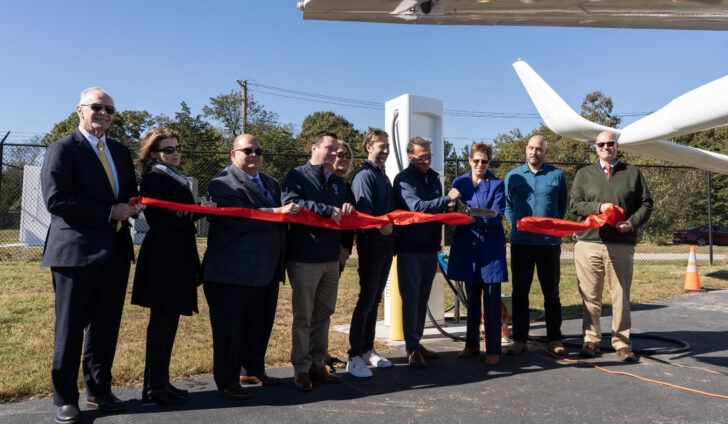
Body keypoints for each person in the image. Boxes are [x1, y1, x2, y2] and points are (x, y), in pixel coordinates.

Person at [40, 87, 145, 424]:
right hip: (74, 253)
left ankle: (99, 390)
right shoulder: (62, 148)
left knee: (105, 326)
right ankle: (65, 398)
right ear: (80, 110)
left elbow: (127, 192)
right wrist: (108, 212)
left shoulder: (118, 150)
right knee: (70, 329)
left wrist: (133, 203)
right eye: (97, 107)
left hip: (115, 251)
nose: (104, 114)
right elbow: (56, 201)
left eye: (110, 110)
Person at [203, 134, 299, 400]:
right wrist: (276, 212)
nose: (254, 154)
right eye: (247, 151)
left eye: (258, 150)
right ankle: (227, 381)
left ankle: (252, 369)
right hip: (232, 272)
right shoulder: (222, 182)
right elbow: (235, 221)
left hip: (266, 269)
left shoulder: (269, 181)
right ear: (233, 155)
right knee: (230, 330)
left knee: (259, 325)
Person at [131, 128, 214, 405]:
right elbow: (162, 220)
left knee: (168, 324)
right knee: (161, 323)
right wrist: (197, 211)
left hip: (178, 254)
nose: (176, 153)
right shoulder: (154, 178)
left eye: (178, 148)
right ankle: (154, 387)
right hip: (163, 258)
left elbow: (179, 213)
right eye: (169, 150)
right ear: (153, 154)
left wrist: (196, 210)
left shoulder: (175, 177)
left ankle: (160, 382)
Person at [570, 131, 653, 362]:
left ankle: (622, 342)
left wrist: (632, 223)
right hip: (588, 243)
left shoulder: (633, 173)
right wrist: (599, 207)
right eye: (601, 144)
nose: (606, 147)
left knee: (620, 295)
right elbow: (575, 205)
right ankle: (591, 340)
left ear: (617, 146)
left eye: (610, 143)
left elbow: (646, 204)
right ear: (595, 148)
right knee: (590, 295)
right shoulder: (584, 174)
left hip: (621, 244)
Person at [281, 131, 354, 391]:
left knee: (324, 314)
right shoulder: (297, 175)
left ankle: (317, 364)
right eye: (329, 148)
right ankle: (300, 369)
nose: (335, 153)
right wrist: (325, 210)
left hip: (330, 258)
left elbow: (342, 211)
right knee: (304, 316)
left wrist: (347, 209)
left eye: (337, 150)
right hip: (304, 257)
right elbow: (290, 203)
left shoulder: (337, 182)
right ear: (313, 148)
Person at [394, 137, 460, 368]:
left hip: (430, 247)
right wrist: (446, 199)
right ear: (410, 156)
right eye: (422, 156)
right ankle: (411, 348)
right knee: (411, 298)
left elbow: (436, 208)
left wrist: (447, 207)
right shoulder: (403, 180)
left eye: (429, 155)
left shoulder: (433, 178)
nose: (427, 160)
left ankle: (417, 342)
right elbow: (418, 208)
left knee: (423, 298)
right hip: (410, 248)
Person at [505, 135, 569, 356]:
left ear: (546, 152)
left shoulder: (557, 175)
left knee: (551, 292)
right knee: (520, 292)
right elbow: (508, 205)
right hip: (521, 243)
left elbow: (562, 207)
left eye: (539, 149)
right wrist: (519, 225)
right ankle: (520, 339)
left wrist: (548, 228)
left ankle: (555, 338)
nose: (535, 152)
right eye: (531, 148)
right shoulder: (513, 176)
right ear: (526, 150)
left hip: (549, 244)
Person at [447, 142, 507, 366]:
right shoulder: (459, 182)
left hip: (490, 247)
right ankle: (471, 344)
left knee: (491, 300)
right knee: (471, 300)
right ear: (470, 160)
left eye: (484, 161)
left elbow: (496, 214)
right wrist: (452, 206)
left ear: (489, 162)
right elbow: (453, 209)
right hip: (467, 246)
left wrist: (472, 217)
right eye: (476, 160)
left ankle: (493, 349)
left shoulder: (497, 184)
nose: (480, 164)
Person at [346, 128, 396, 378]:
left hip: (385, 246)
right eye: (380, 145)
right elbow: (364, 211)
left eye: (387, 145)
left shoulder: (382, 175)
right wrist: (381, 227)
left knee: (374, 300)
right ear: (368, 147)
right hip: (371, 246)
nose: (385, 149)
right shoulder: (364, 175)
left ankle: (367, 350)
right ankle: (354, 355)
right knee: (366, 299)